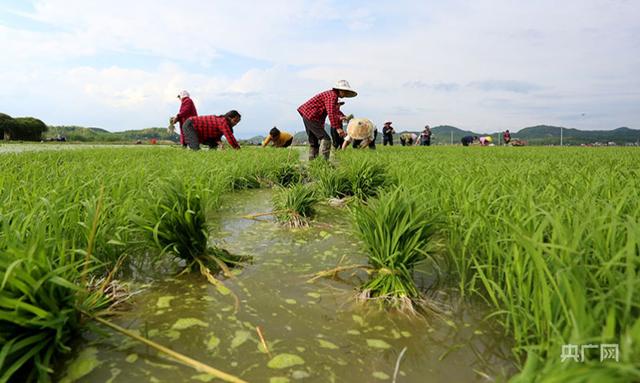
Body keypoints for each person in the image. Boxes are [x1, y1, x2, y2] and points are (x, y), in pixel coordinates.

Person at [297, 80, 357, 160]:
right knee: (326, 139)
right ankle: (323, 162)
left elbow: (335, 113)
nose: (345, 94)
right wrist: (338, 128)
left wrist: (340, 122)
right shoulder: (332, 96)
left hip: (308, 116)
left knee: (314, 143)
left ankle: (312, 162)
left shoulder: (331, 95)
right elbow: (331, 113)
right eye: (345, 92)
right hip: (311, 116)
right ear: (340, 90)